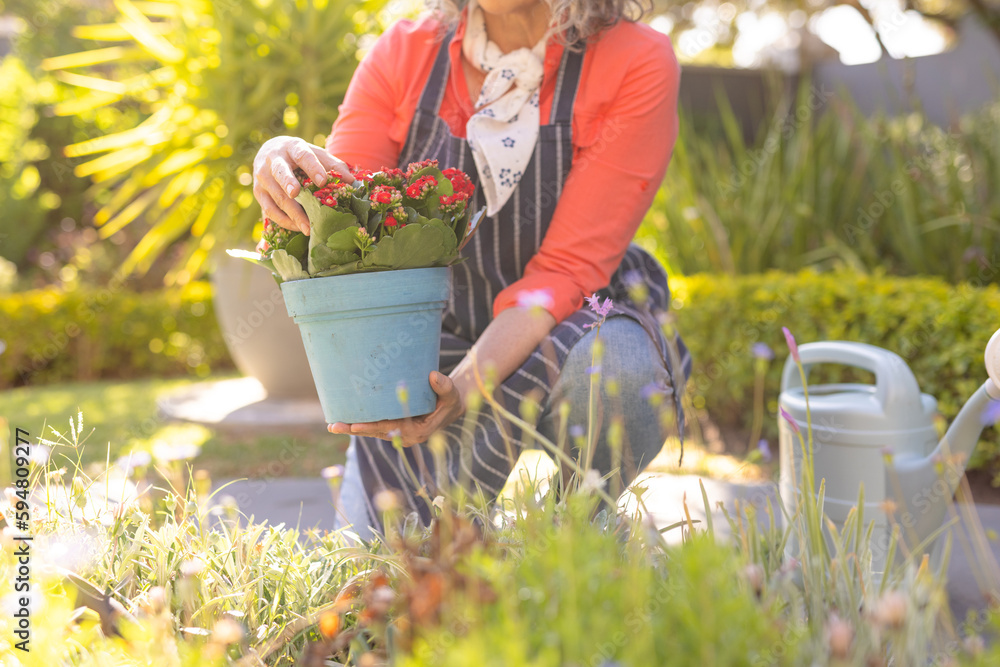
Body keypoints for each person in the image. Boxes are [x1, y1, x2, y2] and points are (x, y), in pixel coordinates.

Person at [252, 0, 691, 538]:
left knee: (619, 371)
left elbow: (564, 271)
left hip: (570, 326)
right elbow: (350, 225)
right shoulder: (406, 51)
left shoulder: (633, 60)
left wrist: (464, 387)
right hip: (432, 337)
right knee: (390, 566)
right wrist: (280, 158)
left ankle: (570, 538)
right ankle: (468, 543)